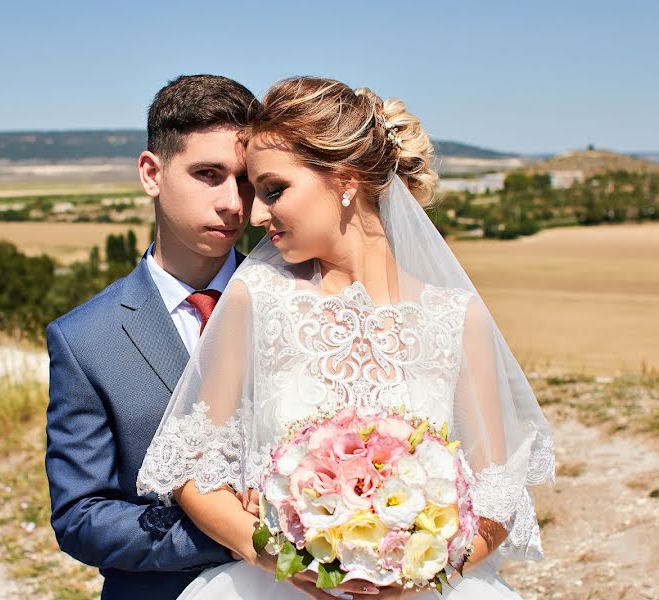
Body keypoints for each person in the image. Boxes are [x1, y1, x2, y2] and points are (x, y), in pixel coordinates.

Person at [137, 76, 555, 599]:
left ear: (345, 179)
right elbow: (194, 473)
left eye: (273, 190)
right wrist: (278, 556)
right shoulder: (257, 298)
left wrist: (419, 572)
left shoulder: (456, 317)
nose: (256, 214)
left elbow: (497, 496)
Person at [45, 74, 258, 599]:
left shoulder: (301, 303)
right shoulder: (84, 339)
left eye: (246, 179)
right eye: (208, 174)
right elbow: (80, 514)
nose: (234, 202)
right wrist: (234, 535)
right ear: (151, 173)